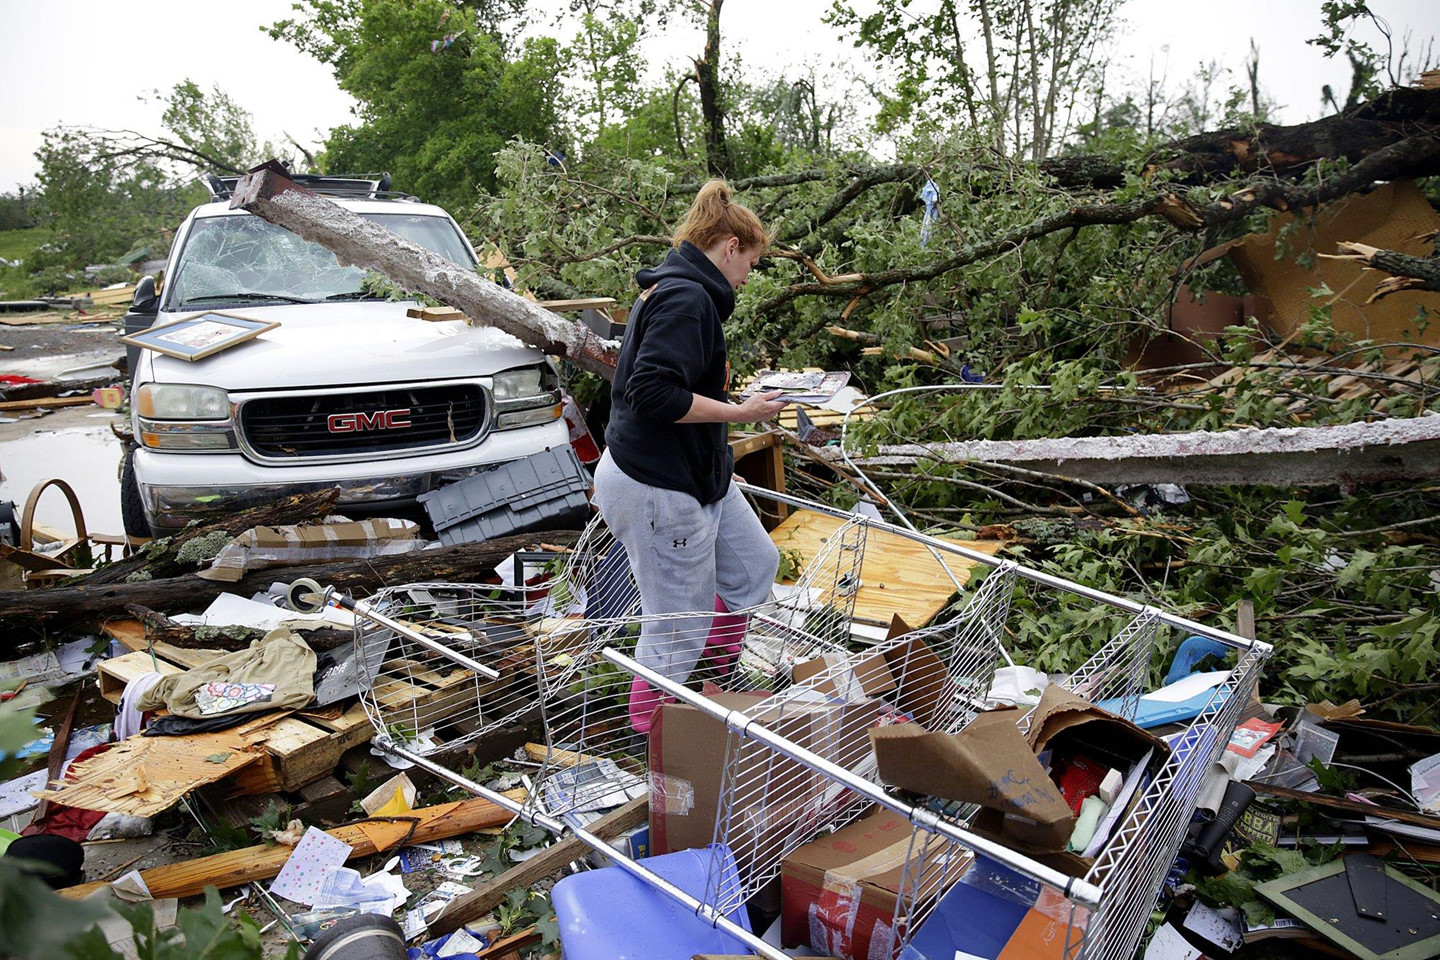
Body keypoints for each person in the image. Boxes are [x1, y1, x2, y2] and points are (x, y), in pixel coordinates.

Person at [592, 180, 788, 733]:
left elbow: (671, 378)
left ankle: (715, 685)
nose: (749, 275)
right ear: (730, 247)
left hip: (698, 472)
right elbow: (652, 394)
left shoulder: (679, 292)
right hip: (657, 484)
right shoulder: (685, 297)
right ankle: (654, 739)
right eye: (750, 261)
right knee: (678, 622)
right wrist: (740, 414)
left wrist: (734, 399)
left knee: (754, 567)